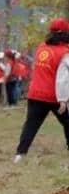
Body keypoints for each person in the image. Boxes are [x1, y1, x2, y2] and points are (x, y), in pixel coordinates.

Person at [14, 18, 69, 163]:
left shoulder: (41, 47)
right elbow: (64, 78)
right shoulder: (65, 52)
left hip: (35, 94)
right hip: (56, 96)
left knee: (31, 125)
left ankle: (20, 154)